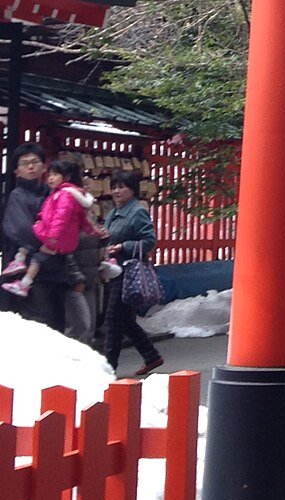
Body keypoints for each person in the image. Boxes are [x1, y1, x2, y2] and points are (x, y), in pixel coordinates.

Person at [2, 158, 103, 298]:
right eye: (49, 175)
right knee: (33, 234)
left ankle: (24, 283)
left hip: (57, 238)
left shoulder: (64, 195)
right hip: (57, 237)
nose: (50, 178)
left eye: (54, 175)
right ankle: (19, 261)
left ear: (66, 177)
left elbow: (61, 217)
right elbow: (80, 220)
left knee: (37, 256)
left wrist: (52, 238)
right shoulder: (61, 194)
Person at [101, 170, 164, 378]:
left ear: (132, 190)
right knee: (124, 320)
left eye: (122, 187)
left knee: (112, 319)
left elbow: (149, 241)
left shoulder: (137, 212)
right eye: (114, 187)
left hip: (129, 272)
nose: (116, 191)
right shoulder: (112, 212)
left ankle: (108, 368)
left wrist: (124, 246)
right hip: (113, 270)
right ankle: (151, 355)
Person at [1, 145, 48, 283]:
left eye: (35, 162)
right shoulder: (17, 196)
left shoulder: (52, 193)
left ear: (44, 166)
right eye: (25, 163)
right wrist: (49, 244)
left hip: (52, 263)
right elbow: (23, 230)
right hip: (24, 266)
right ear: (17, 171)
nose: (31, 167)